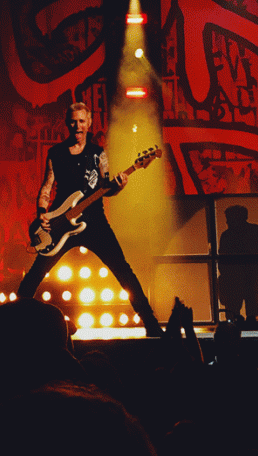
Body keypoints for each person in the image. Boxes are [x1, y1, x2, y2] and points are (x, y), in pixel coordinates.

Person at [17, 102, 162, 336]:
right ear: (67, 123)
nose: (77, 126)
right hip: (60, 222)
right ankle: (18, 325)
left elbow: (105, 187)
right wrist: (42, 212)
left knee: (122, 270)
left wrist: (119, 186)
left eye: (82, 121)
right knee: (35, 275)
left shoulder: (98, 154)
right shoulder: (56, 153)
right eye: (73, 121)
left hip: (94, 222)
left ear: (89, 123)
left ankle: (151, 324)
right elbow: (47, 187)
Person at [217, 204, 258, 324]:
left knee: (233, 312)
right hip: (253, 277)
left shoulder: (227, 236)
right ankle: (251, 327)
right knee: (252, 311)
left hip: (234, 279)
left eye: (229, 218)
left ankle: (233, 329)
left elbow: (222, 260)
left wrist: (227, 275)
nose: (227, 221)